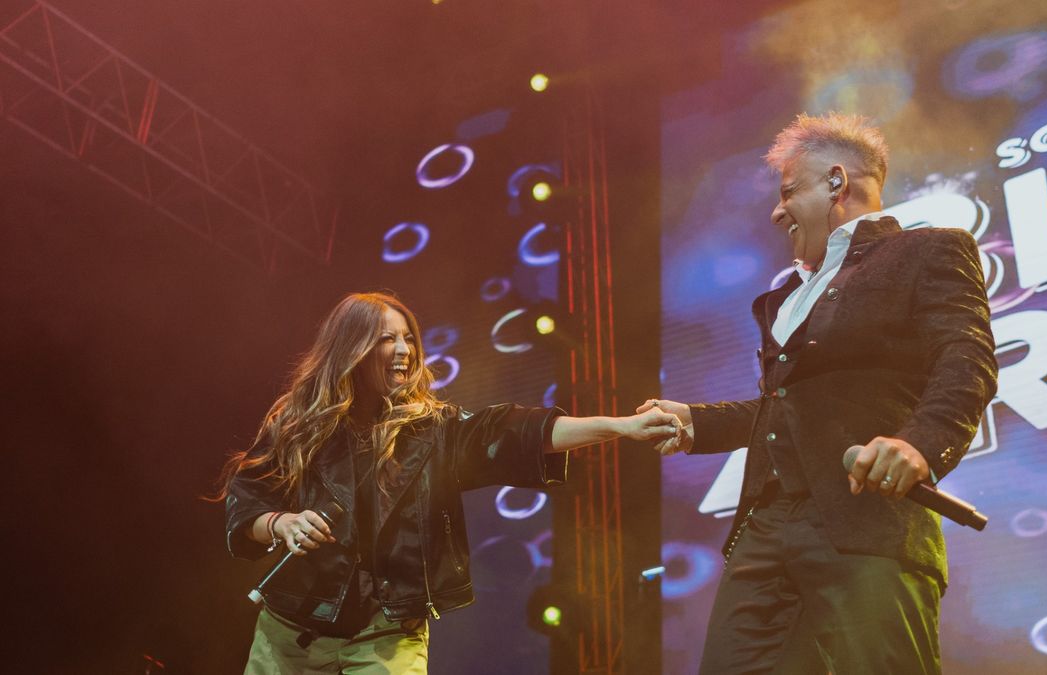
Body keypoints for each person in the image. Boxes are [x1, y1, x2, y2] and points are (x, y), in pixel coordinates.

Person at [642, 113, 997, 673]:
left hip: (866, 520)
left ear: (836, 182)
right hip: (765, 527)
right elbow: (786, 408)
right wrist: (696, 422)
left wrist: (922, 445)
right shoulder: (785, 299)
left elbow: (966, 358)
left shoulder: (927, 251)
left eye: (789, 192)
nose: (777, 211)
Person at [218, 291, 681, 674]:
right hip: (291, 630)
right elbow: (248, 503)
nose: (405, 350)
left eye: (408, 339)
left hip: (387, 635)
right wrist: (281, 523)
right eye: (386, 339)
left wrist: (621, 427)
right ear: (351, 348)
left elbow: (520, 431)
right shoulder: (299, 421)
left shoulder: (434, 430)